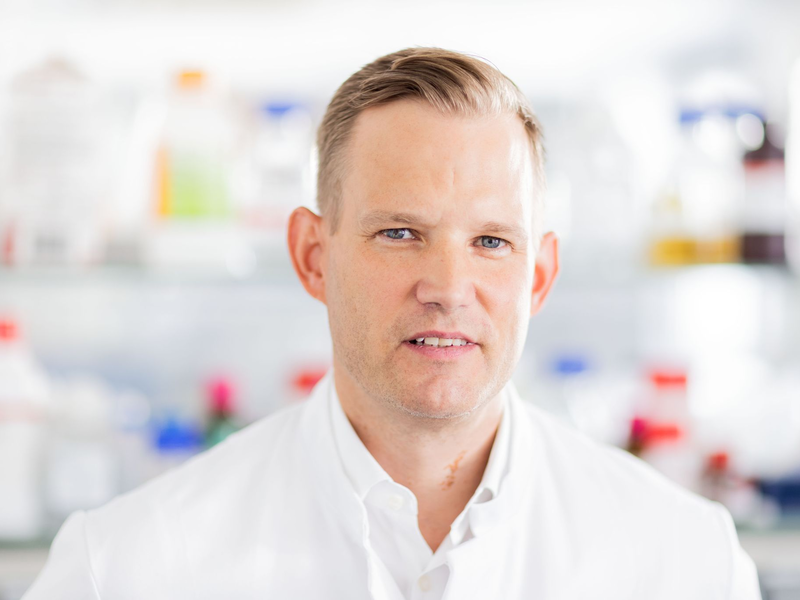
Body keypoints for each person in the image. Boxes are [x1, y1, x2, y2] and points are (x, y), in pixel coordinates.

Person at [24, 47, 761, 600]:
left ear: (538, 277)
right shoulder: (126, 568)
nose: (446, 288)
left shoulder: (685, 562)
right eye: (400, 233)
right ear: (314, 256)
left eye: (491, 242)